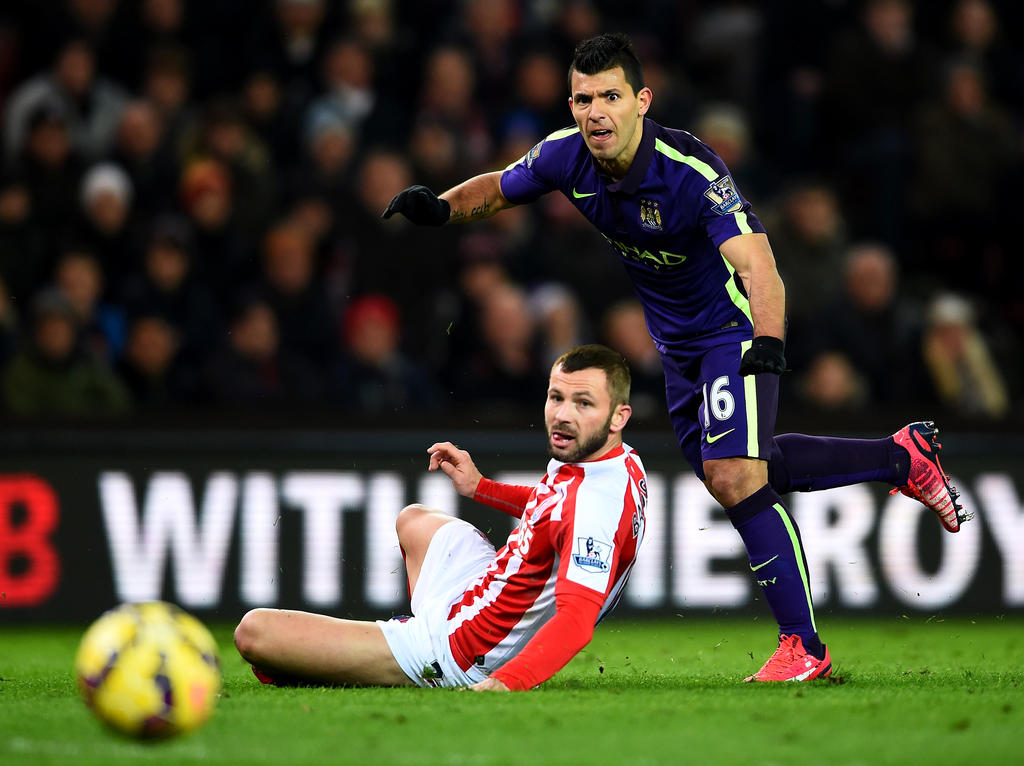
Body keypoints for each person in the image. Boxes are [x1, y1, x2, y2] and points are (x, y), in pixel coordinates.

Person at [382, 33, 972, 682]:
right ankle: (901, 456)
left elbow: (760, 266)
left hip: (731, 333)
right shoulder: (564, 156)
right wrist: (441, 209)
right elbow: (498, 187)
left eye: (610, 96)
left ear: (642, 100)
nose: (595, 112)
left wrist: (769, 344)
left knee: (733, 475)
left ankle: (805, 647)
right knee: (754, 468)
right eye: (583, 99)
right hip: (678, 348)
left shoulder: (691, 172)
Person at [234, 344, 647, 690]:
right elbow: (554, 506)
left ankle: (405, 653)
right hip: (483, 585)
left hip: (461, 649)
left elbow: (576, 621)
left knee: (253, 633)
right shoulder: (615, 460)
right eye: (556, 397)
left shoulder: (593, 506)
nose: (562, 415)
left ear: (618, 416)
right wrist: (481, 487)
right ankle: (394, 636)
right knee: (414, 520)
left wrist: (508, 681)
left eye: (583, 403)